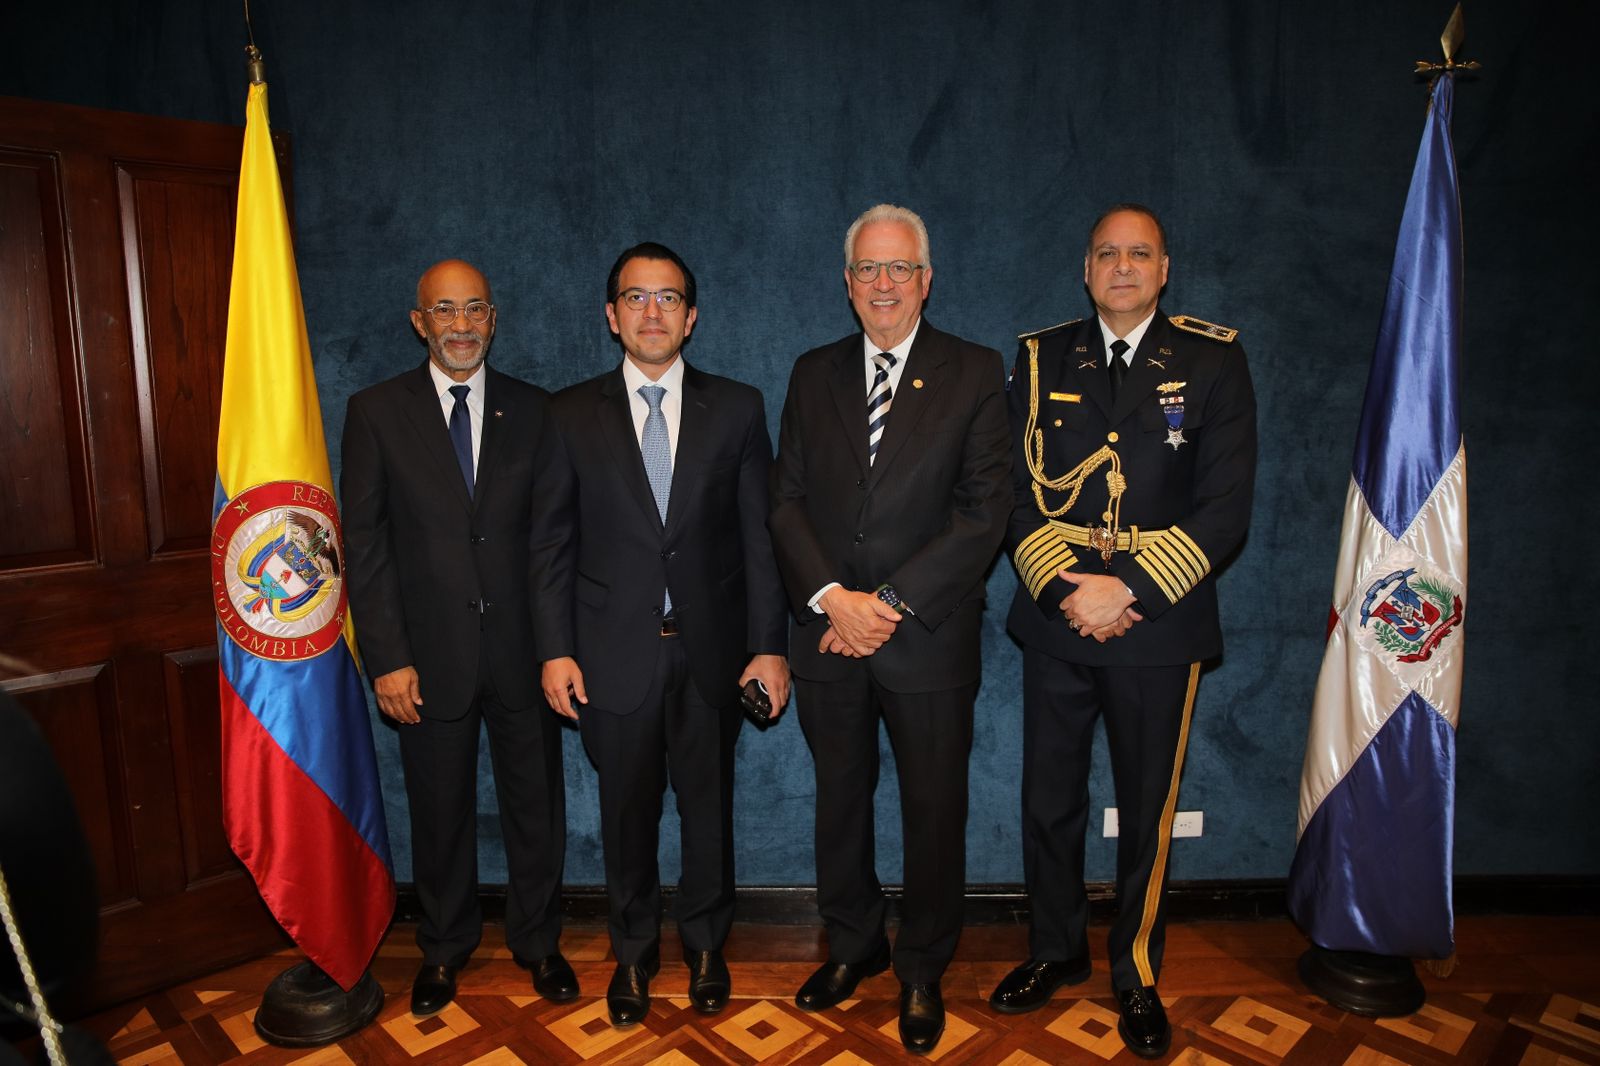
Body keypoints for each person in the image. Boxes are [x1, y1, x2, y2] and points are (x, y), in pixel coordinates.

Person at [991, 204, 1256, 1059]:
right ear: (1085, 268)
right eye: (1107, 253)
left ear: (1165, 268)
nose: (1123, 266)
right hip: (1060, 613)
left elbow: (1225, 512)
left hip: (1158, 621)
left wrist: (1126, 588)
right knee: (1049, 800)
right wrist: (1068, 590)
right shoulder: (1040, 359)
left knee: (1148, 809)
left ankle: (1136, 971)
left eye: (1139, 253)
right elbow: (1013, 492)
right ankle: (1055, 951)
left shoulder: (1213, 359)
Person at [769, 204, 1011, 1055]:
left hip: (928, 640)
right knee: (839, 805)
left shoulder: (977, 372)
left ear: (926, 279)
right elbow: (786, 500)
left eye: (899, 269)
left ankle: (921, 969)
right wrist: (834, 598)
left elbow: (986, 515)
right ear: (847, 284)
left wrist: (887, 607)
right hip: (828, 635)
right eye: (867, 270)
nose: (882, 284)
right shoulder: (812, 373)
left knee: (933, 809)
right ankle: (855, 944)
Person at [532, 242, 789, 1027]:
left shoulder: (738, 407)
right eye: (636, 298)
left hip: (711, 655)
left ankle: (708, 948)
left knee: (708, 813)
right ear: (611, 317)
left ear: (692, 317)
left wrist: (770, 645)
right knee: (627, 815)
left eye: (668, 298)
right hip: (611, 659)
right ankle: (634, 954)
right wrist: (554, 647)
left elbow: (760, 538)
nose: (652, 312)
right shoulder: (569, 413)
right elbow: (550, 542)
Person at [341, 259, 574, 1017]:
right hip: (425, 660)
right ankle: (442, 949)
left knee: (535, 808)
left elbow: (551, 543)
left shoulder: (537, 412)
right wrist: (388, 657)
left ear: (494, 318)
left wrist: (554, 647)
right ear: (420, 322)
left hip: (522, 655)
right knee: (438, 811)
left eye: (475, 309)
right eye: (445, 310)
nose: (462, 324)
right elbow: (366, 547)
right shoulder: (375, 412)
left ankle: (539, 945)